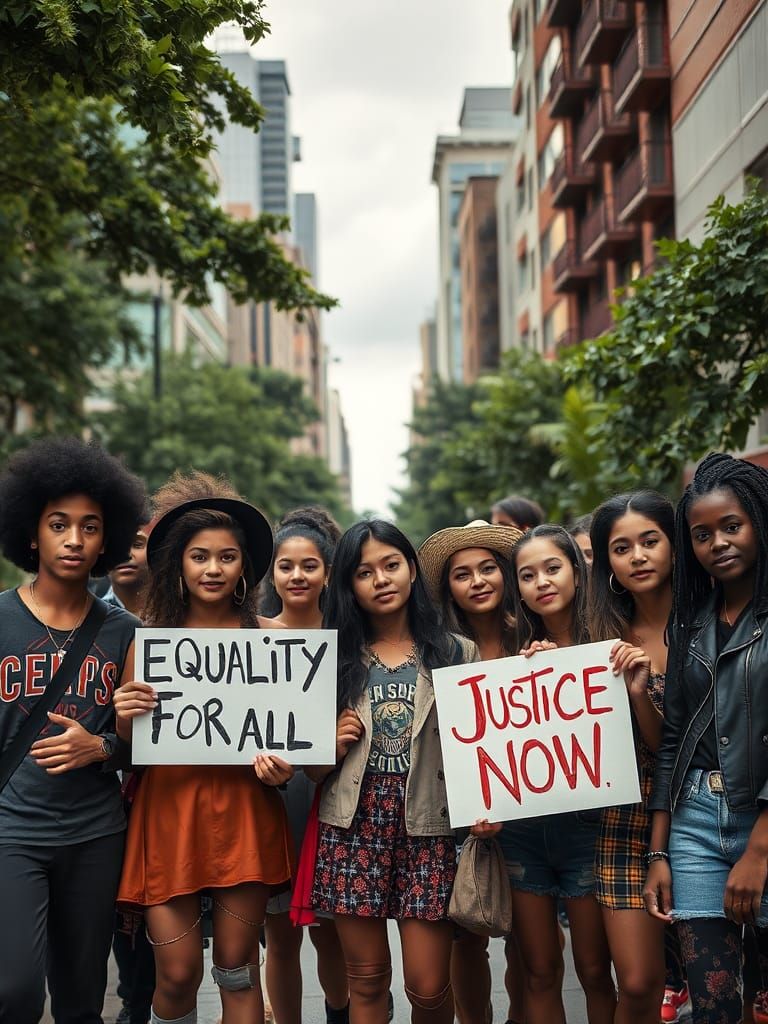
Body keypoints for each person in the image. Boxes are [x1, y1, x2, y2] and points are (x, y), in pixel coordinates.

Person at [114, 471, 295, 1024]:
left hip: (245, 812)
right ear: (179, 564)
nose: (213, 568)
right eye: (199, 556)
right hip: (170, 813)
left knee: (237, 969)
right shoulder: (149, 641)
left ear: (244, 567)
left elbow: (292, 741)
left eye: (226, 556)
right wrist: (126, 713)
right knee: (176, 974)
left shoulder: (273, 642)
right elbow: (131, 742)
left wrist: (282, 768)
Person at [0, 436, 146, 1024]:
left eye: (90, 527)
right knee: (14, 991)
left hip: (94, 834)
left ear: (106, 540)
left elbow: (145, 746)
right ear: (32, 534)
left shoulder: (127, 632)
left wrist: (100, 745)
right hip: (12, 831)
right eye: (58, 525)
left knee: (82, 1000)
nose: (74, 539)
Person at [308, 520, 476, 1024]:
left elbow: (478, 748)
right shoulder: (329, 658)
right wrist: (327, 745)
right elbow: (312, 772)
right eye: (364, 572)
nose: (380, 579)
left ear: (411, 571)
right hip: (351, 825)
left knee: (428, 986)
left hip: (429, 823)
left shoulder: (456, 652)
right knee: (366, 982)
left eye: (391, 565)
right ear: (349, 585)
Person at [645, 453, 768, 1024]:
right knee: (713, 1003)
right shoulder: (689, 620)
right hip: (694, 820)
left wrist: (759, 851)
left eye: (732, 526)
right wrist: (659, 852)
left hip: (762, 821)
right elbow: (673, 740)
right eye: (701, 534)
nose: (717, 543)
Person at [497, 524, 616, 1024]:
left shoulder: (610, 640)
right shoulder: (511, 651)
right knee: (540, 970)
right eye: (527, 576)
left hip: (590, 827)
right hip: (522, 832)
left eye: (552, 568)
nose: (542, 582)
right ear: (518, 589)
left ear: (577, 572)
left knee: (594, 969)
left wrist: (568, 667)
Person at [588, 491, 689, 1024]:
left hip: (700, 812)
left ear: (674, 544)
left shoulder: (712, 625)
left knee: (722, 979)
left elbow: (681, 744)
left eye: (650, 541)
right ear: (607, 563)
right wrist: (541, 666)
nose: (638, 556)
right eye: (621, 548)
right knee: (638, 983)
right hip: (626, 819)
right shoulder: (597, 641)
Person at [418, 520, 525, 1024]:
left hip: (537, 805)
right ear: (449, 588)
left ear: (505, 574)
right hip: (464, 812)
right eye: (462, 574)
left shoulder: (534, 638)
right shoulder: (437, 651)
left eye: (488, 569)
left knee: (531, 942)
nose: (478, 581)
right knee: (468, 934)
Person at [259, 508, 350, 1024]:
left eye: (309, 566)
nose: (297, 575)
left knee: (329, 928)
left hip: (332, 794)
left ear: (327, 573)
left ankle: (342, 1013)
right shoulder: (251, 636)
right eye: (286, 566)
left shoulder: (349, 639)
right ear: (272, 573)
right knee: (280, 935)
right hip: (270, 796)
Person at [104, 520, 151, 615]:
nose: (126, 555)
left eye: (137, 545)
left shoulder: (178, 611)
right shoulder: (89, 616)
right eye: (115, 547)